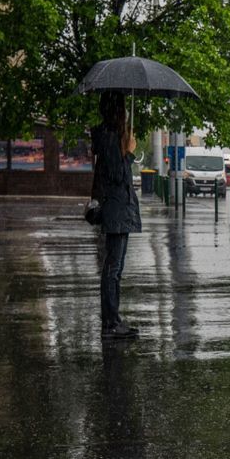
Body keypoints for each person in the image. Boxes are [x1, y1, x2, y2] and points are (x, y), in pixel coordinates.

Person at [92, 91, 142, 340]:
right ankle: (110, 323)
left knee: (115, 267)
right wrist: (130, 152)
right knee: (113, 268)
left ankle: (113, 320)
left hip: (118, 209)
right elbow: (117, 175)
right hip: (116, 209)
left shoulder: (110, 137)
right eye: (124, 108)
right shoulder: (111, 137)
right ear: (117, 111)